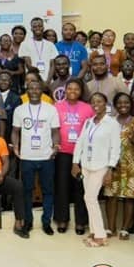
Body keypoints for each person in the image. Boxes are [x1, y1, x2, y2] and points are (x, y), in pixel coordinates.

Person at [72, 93, 122, 247]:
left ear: (106, 104)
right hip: (86, 165)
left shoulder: (112, 123)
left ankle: (100, 235)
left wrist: (110, 169)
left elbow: (115, 148)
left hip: (101, 166)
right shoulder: (88, 122)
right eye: (93, 102)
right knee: (88, 198)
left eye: (99, 101)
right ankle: (94, 232)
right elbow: (80, 142)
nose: (96, 104)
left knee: (90, 198)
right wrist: (75, 162)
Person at [12, 81, 61, 235]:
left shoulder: (51, 109)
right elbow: (15, 131)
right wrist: (16, 147)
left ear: (42, 91)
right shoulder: (19, 110)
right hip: (27, 157)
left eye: (37, 88)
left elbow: (55, 131)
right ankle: (28, 222)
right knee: (27, 191)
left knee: (48, 191)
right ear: (27, 91)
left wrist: (56, 146)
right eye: (31, 88)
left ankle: (46, 222)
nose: (34, 91)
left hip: (47, 156)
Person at [103, 93, 134, 240]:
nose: (123, 105)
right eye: (119, 103)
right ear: (115, 105)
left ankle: (125, 229)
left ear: (131, 104)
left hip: (132, 165)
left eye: (126, 102)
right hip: (112, 165)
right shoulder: (109, 121)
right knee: (110, 196)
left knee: (129, 197)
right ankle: (110, 228)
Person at [54, 79, 93, 234]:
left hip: (82, 154)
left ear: (81, 91)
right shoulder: (57, 106)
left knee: (80, 187)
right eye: (69, 88)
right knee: (62, 186)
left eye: (76, 89)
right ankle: (62, 219)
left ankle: (81, 222)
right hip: (63, 152)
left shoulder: (88, 108)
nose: (73, 91)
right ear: (65, 90)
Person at [17, 16, 53, 82]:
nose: (37, 28)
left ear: (43, 28)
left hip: (48, 82)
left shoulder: (50, 44)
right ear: (31, 28)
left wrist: (48, 81)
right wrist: (31, 68)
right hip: (32, 82)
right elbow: (28, 62)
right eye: (35, 26)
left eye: (40, 26)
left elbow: (52, 65)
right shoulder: (25, 44)